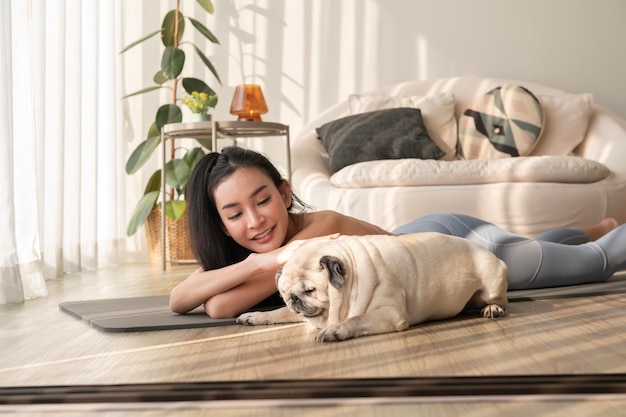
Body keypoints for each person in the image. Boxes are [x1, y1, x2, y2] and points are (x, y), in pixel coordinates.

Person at [169, 146, 626, 318]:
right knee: (528, 248)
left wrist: (261, 262)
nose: (255, 221)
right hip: (416, 242)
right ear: (220, 223)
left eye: (263, 199)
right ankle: (595, 226)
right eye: (234, 214)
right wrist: (261, 261)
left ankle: (600, 238)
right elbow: (180, 297)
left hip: (452, 251)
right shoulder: (268, 257)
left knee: (598, 264)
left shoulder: (321, 230)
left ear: (285, 193)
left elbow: (218, 305)